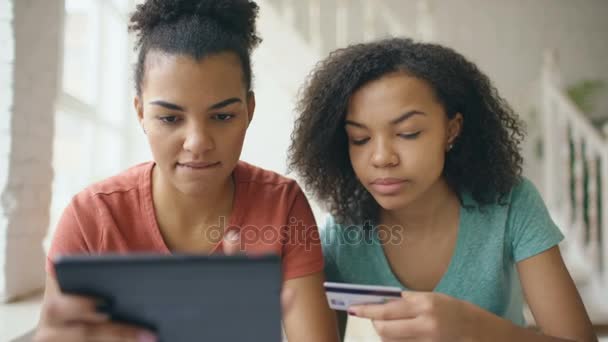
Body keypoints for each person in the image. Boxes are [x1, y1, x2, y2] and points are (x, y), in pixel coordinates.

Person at [35, 1, 338, 341]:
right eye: (170, 118)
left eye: (222, 116)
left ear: (249, 111)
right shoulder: (90, 218)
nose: (197, 142)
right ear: (140, 113)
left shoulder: (283, 206)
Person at [289, 38, 597, 341]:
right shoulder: (344, 237)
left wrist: (471, 327)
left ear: (452, 130)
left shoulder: (510, 205)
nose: (382, 157)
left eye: (408, 133)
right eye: (360, 139)